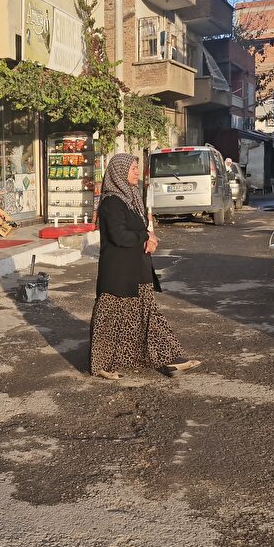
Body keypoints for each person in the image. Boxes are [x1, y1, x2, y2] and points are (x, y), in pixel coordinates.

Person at [90, 153, 201, 379]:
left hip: (138, 268)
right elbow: (119, 236)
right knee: (110, 321)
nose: (136, 172)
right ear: (120, 173)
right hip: (119, 273)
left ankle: (170, 360)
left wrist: (148, 237)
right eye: (132, 168)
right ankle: (102, 365)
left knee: (149, 316)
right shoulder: (111, 201)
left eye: (136, 168)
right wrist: (145, 236)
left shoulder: (131, 197)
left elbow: (137, 229)